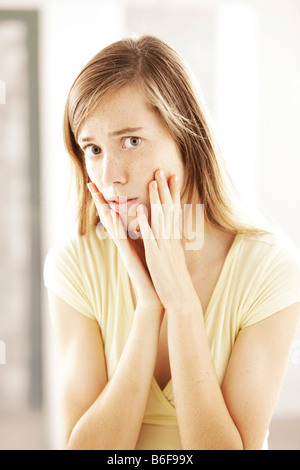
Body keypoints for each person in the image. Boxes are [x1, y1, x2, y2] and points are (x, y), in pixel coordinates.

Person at [44, 35, 300, 450]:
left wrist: (180, 303)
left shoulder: (269, 268)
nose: (109, 176)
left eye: (131, 141)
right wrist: (148, 310)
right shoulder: (75, 265)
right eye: (92, 148)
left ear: (188, 140)